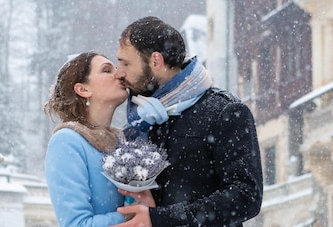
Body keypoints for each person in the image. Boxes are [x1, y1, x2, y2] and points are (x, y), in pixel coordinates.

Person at [112, 16, 263, 227]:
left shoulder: (224, 112)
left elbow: (246, 196)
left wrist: (162, 218)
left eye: (125, 63)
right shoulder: (138, 125)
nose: (119, 73)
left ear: (156, 61)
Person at [44, 52, 153, 227]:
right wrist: (137, 215)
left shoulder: (126, 141)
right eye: (106, 70)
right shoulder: (67, 142)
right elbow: (76, 224)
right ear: (83, 89)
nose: (119, 74)